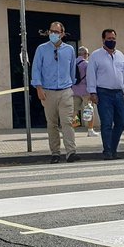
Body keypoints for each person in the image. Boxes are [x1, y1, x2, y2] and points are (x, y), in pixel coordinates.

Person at [31, 22, 79, 164]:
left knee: (67, 122)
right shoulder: (42, 49)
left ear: (62, 34)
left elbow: (72, 69)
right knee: (52, 123)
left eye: (56, 32)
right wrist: (38, 88)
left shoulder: (69, 49)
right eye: (51, 31)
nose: (53, 34)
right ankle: (55, 153)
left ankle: (71, 152)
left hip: (65, 90)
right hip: (48, 91)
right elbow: (36, 69)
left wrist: (71, 87)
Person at [87, 29, 124, 160]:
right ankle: (107, 151)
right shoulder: (96, 56)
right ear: (103, 40)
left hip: (118, 93)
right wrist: (92, 92)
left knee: (121, 121)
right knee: (107, 123)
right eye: (109, 38)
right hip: (103, 93)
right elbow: (90, 74)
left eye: (113, 39)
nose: (111, 41)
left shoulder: (120, 55)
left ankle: (113, 149)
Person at [72, 46, 97, 137]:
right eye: (88, 54)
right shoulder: (87, 64)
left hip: (74, 90)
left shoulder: (73, 63)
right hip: (86, 90)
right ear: (85, 54)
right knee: (89, 110)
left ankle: (72, 129)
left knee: (74, 111)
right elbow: (90, 78)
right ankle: (90, 130)